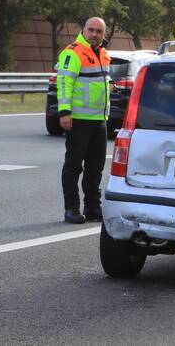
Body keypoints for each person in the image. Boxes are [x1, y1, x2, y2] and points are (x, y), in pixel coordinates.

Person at [58, 17, 112, 224]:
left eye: (99, 31)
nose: (95, 34)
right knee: (73, 165)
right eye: (91, 30)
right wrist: (64, 112)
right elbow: (64, 83)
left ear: (103, 34)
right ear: (83, 30)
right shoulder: (73, 52)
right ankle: (71, 208)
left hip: (99, 119)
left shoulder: (103, 54)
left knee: (95, 167)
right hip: (78, 119)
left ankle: (92, 207)